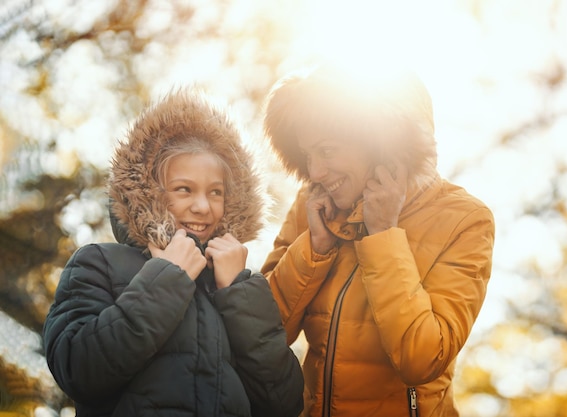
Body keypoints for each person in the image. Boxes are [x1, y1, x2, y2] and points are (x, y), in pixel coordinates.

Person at [43, 89, 304, 417]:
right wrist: (167, 277)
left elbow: (285, 403)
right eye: (184, 189)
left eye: (216, 192)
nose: (202, 207)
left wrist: (237, 290)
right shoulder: (99, 262)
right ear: (149, 192)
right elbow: (77, 369)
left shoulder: (238, 287)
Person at [260, 63, 496, 417]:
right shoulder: (311, 206)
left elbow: (422, 358)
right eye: (308, 155)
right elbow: (261, 335)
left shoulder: (466, 220)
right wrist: (314, 250)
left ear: (382, 145)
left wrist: (383, 235)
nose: (315, 172)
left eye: (327, 151)